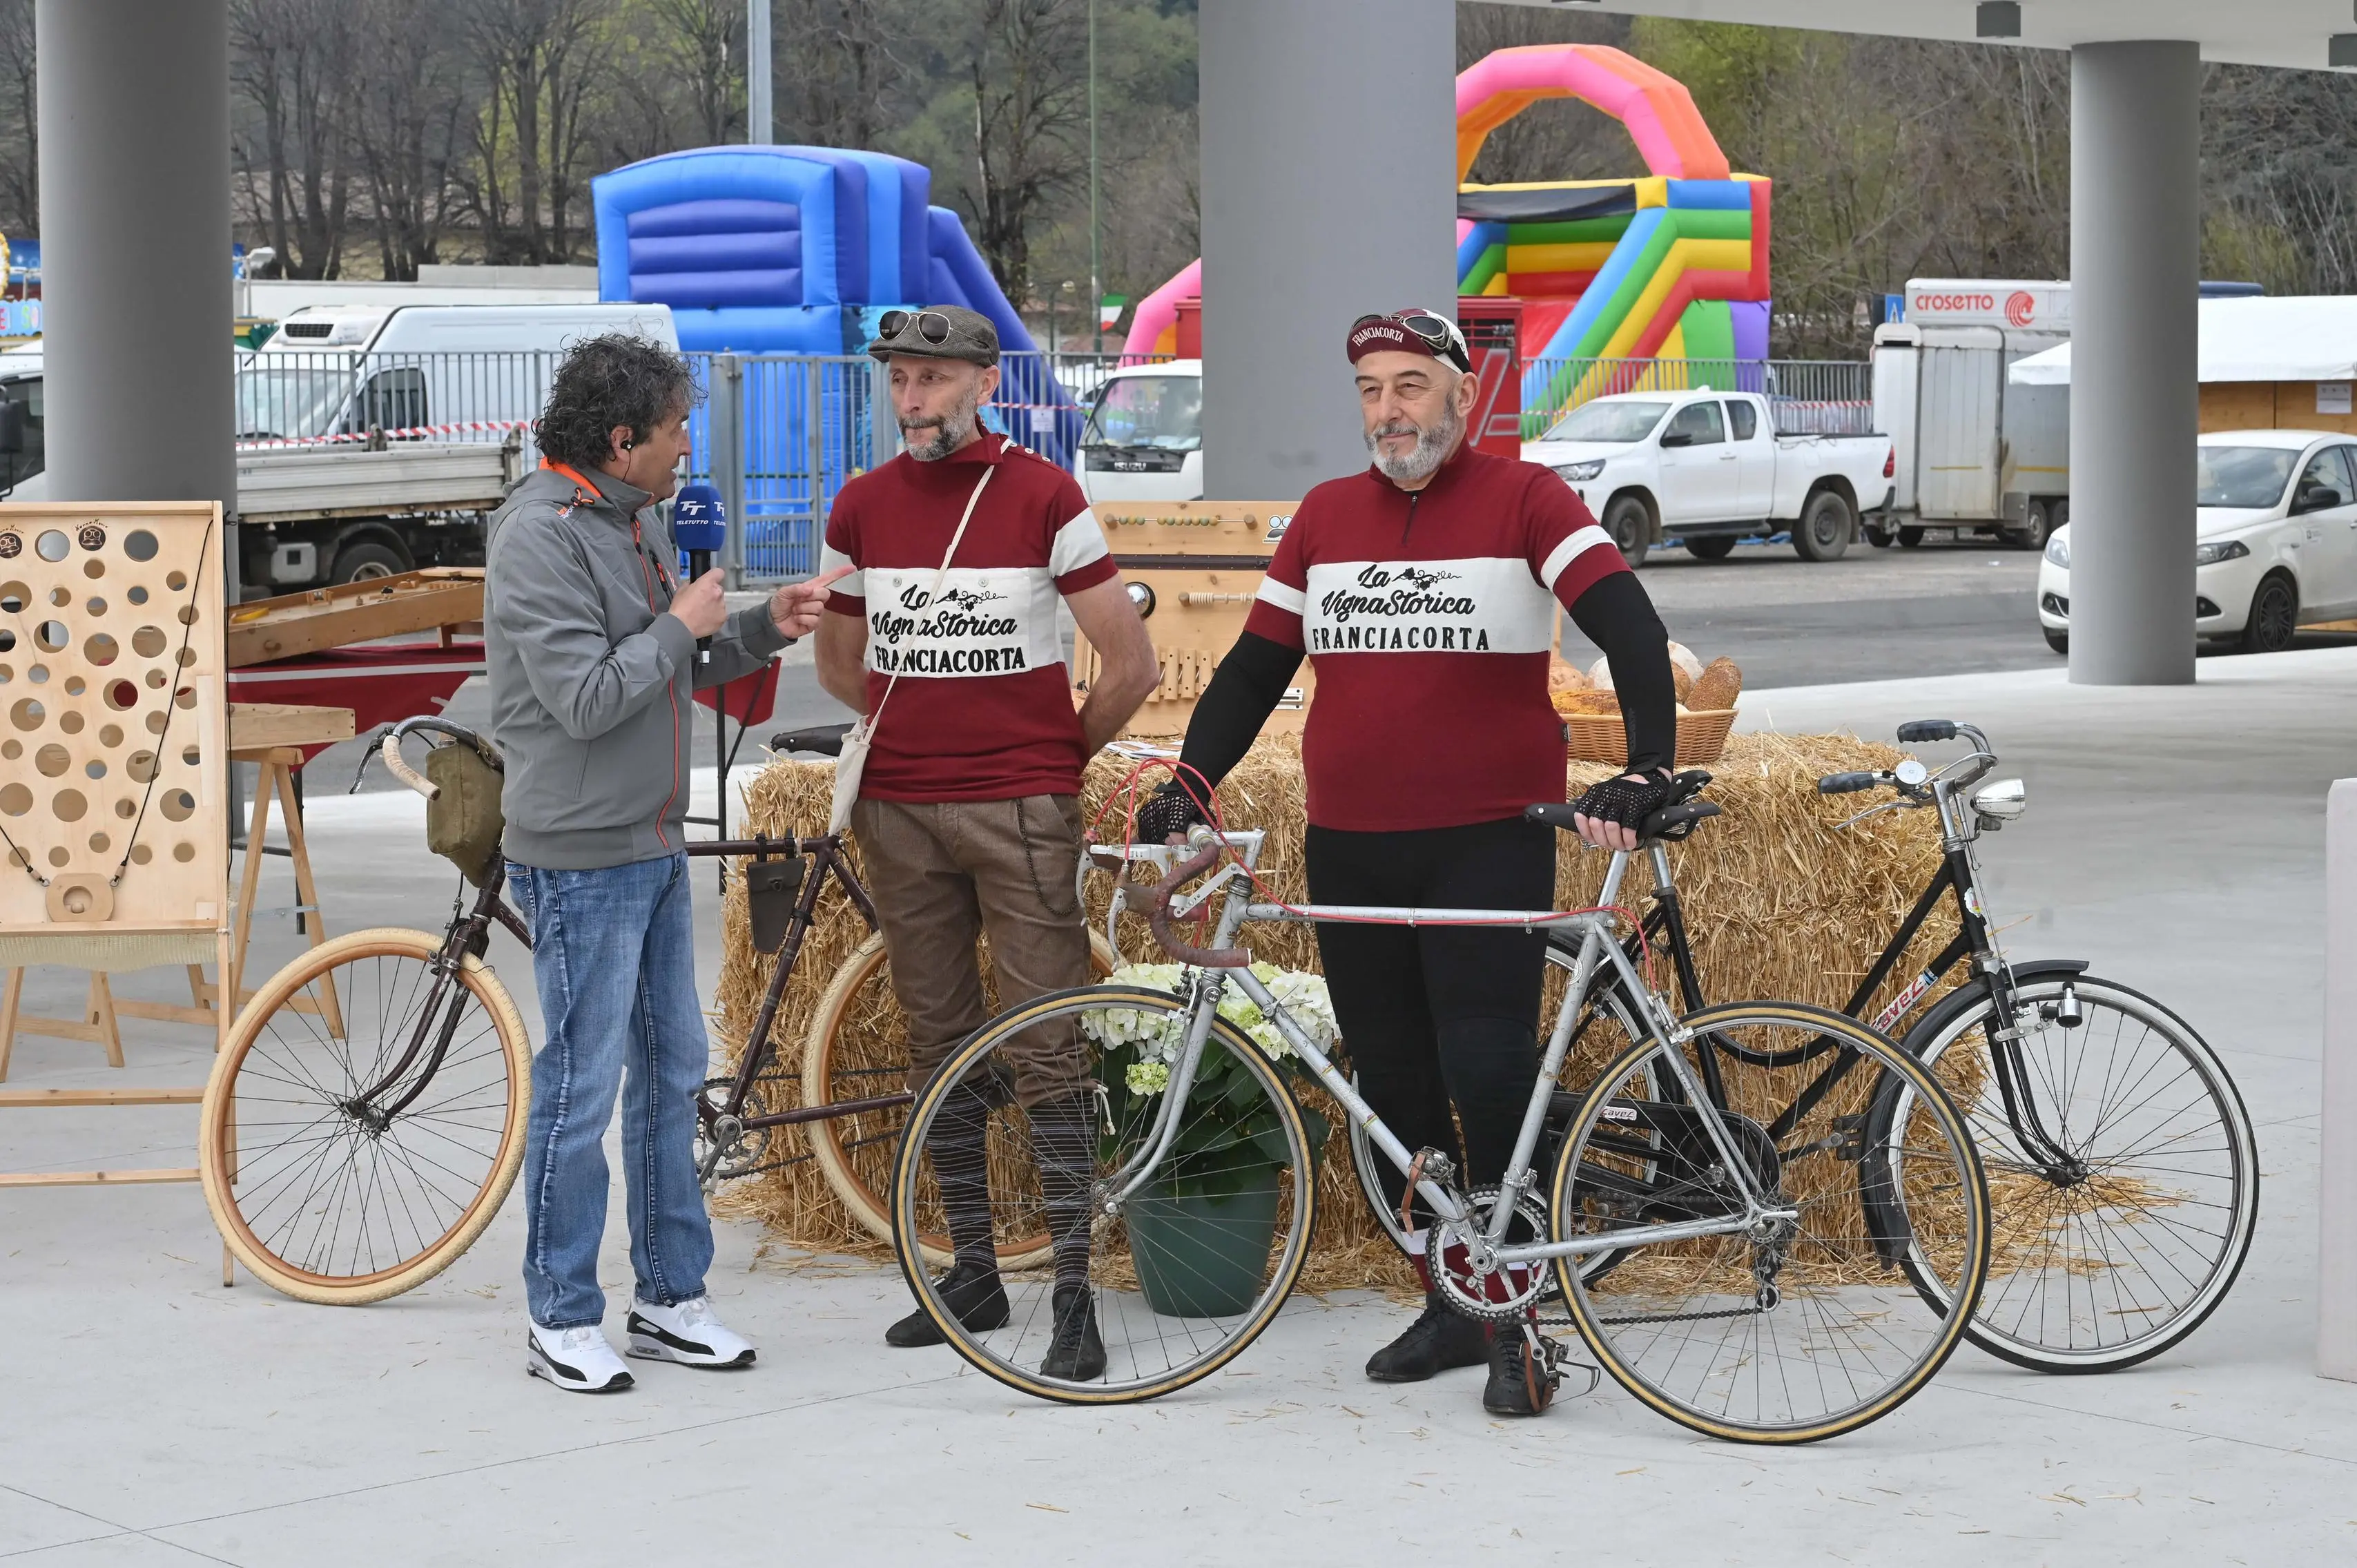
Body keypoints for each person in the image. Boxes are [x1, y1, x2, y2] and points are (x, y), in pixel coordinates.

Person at [1134, 308, 1677, 1418]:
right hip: (1351, 842)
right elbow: (1247, 673)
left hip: (1487, 839)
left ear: (1459, 396)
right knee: (1392, 1087)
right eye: (1373, 390)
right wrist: (1193, 781)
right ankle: (1451, 1298)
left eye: (1411, 387)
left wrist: (1649, 768)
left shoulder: (1528, 500)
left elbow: (1627, 627)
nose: (1390, 411)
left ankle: (1517, 1313)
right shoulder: (1326, 518)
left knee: (1486, 1072)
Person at [486, 333, 842, 1394]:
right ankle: (559, 1313)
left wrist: (756, 628)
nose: (690, 445)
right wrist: (682, 621)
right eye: (678, 426)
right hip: (578, 853)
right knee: (581, 1085)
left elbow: (668, 662)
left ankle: (670, 1295)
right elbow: (589, 696)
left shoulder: (625, 520)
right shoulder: (538, 536)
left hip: (645, 840)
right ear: (621, 437)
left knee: (671, 1076)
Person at [814, 305, 1158, 1378]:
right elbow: (839, 660)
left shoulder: (1044, 494)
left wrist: (1049, 763)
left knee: (1047, 1047)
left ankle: (1071, 1293)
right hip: (899, 810)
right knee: (937, 1039)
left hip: (1019, 807)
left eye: (929, 379)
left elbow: (1130, 663)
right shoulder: (861, 506)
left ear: (982, 381)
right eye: (898, 382)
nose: (910, 399)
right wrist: (906, 733)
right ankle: (971, 1265)